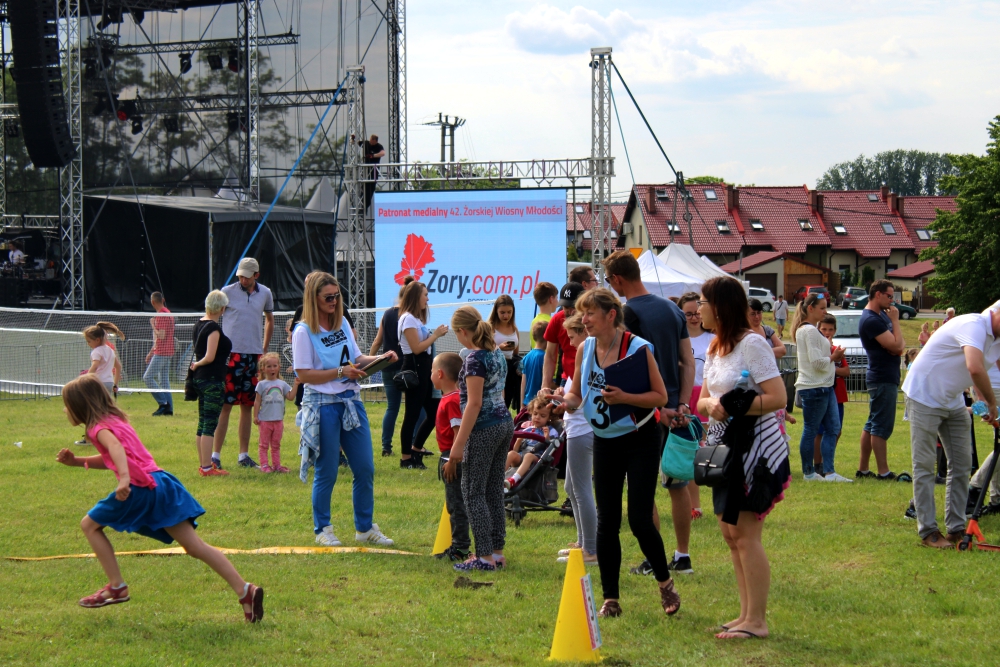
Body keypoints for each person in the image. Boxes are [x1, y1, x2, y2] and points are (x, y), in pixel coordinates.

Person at [56, 374, 264, 621]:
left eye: (67, 405)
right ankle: (245, 590)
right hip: (162, 483)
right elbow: (114, 455)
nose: (65, 410)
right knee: (195, 546)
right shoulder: (115, 420)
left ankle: (116, 586)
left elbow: (116, 450)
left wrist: (123, 479)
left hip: (140, 487)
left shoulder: (97, 428)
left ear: (80, 406)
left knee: (89, 525)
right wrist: (78, 462)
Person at [550, 287, 679, 618]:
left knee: (638, 519)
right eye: (582, 313)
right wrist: (561, 402)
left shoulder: (637, 348)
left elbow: (660, 397)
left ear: (611, 315)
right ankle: (611, 598)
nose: (584, 320)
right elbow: (578, 396)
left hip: (641, 438)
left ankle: (665, 583)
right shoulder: (585, 348)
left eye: (590, 313)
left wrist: (625, 398)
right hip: (604, 438)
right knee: (607, 520)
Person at [695, 276, 789, 640]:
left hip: (753, 451)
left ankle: (757, 621)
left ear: (720, 306)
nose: (698, 309)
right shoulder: (716, 347)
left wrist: (737, 407)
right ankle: (745, 614)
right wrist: (712, 407)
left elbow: (778, 397)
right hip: (723, 448)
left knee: (747, 535)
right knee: (731, 533)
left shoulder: (753, 343)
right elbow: (703, 399)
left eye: (703, 302)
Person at [602, 251, 697, 577]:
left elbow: (630, 370)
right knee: (676, 484)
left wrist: (661, 407)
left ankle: (652, 559)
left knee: (643, 490)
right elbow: (688, 360)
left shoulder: (626, 314)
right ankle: (682, 556)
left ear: (616, 280)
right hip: (676, 408)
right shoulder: (672, 308)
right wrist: (682, 404)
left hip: (646, 411)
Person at [293, 272, 395, 547]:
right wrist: (340, 371)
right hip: (322, 405)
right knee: (327, 470)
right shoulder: (303, 331)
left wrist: (381, 358)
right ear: (313, 298)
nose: (334, 301)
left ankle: (364, 528)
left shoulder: (343, 325)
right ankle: (322, 529)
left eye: (337, 296)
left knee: (365, 468)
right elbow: (303, 374)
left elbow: (358, 359)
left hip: (351, 400)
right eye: (328, 297)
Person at [902, 302, 1000, 548]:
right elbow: (974, 368)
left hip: (952, 399)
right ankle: (929, 532)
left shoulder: (995, 338)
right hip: (923, 394)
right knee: (924, 464)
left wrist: (982, 407)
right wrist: (992, 403)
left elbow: (978, 374)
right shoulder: (974, 325)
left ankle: (956, 529)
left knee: (962, 463)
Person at [442, 306, 514, 572]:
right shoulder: (497, 354)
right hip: (504, 423)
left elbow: (473, 404)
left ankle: (483, 558)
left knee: (473, 492)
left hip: (484, 428)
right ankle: (497, 552)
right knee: (494, 490)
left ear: (462, 332)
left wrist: (458, 447)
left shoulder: (474, 360)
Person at [215, 257, 275, 470]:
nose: (242, 279)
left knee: (248, 407)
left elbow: (270, 319)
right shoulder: (227, 291)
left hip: (253, 357)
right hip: (231, 356)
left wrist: (264, 348)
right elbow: (214, 315)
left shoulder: (265, 293)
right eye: (240, 275)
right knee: (226, 406)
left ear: (256, 276)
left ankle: (243, 456)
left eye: (246, 276)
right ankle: (215, 456)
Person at [552, 313, 598, 564]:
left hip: (582, 429)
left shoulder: (588, 356)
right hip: (576, 428)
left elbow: (579, 400)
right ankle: (583, 542)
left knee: (581, 490)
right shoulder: (582, 358)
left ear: (583, 333)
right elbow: (575, 393)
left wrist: (563, 402)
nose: (569, 343)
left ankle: (591, 549)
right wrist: (562, 394)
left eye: (571, 337)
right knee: (571, 487)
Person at [792, 293, 850, 481]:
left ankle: (829, 472)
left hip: (825, 386)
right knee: (811, 429)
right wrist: (835, 358)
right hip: (814, 387)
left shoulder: (812, 331)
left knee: (833, 428)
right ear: (810, 309)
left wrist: (834, 357)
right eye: (822, 308)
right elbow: (817, 362)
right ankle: (809, 472)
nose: (826, 311)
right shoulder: (808, 331)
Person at [857, 279, 906, 480]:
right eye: (889, 296)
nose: (892, 301)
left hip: (885, 376)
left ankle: (864, 469)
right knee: (881, 426)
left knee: (872, 423)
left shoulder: (880, 317)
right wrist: (895, 321)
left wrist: (895, 340)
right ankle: (883, 472)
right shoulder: (872, 320)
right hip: (882, 377)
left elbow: (897, 344)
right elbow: (898, 347)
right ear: (878, 294)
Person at [398, 280, 449, 469]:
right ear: (415, 297)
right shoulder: (408, 319)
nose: (427, 299)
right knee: (411, 414)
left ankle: (417, 448)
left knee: (435, 413)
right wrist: (435, 335)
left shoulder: (416, 319)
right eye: (425, 295)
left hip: (425, 368)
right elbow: (416, 348)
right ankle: (405, 458)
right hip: (415, 368)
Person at [431, 352, 471, 562]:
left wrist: (453, 461)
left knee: (457, 504)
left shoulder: (452, 400)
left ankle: (461, 548)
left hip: (452, 458)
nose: (430, 374)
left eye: (431, 370)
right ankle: (459, 545)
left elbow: (457, 433)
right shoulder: (450, 398)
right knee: (454, 503)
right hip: (449, 456)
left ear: (439, 374)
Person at [369, 276, 415, 456]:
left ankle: (386, 446)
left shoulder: (387, 314)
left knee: (392, 407)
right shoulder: (409, 316)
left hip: (388, 366)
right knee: (414, 409)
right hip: (406, 367)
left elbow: (377, 341)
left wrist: (370, 363)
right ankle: (412, 443)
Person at [679, 292, 715, 519]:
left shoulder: (712, 339)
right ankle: (695, 505)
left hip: (706, 396)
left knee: (708, 449)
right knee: (689, 452)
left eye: (696, 312)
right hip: (684, 397)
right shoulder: (677, 339)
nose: (693, 317)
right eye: (688, 313)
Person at [190, 290, 233, 477]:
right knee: (209, 424)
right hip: (212, 379)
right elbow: (209, 356)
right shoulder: (213, 328)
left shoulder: (199, 324)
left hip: (200, 379)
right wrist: (197, 364)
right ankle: (207, 467)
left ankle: (203, 464)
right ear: (222, 308)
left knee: (202, 422)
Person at [813, 315, 850, 474]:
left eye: (830, 329)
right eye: (824, 329)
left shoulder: (837, 350)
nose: (827, 332)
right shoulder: (818, 350)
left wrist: (832, 368)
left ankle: (827, 459)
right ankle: (818, 464)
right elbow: (817, 369)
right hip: (822, 394)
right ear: (818, 330)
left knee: (837, 430)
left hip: (838, 394)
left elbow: (846, 371)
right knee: (820, 431)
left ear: (835, 331)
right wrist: (832, 367)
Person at [253, 352, 297, 474]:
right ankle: (264, 465)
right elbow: (257, 401)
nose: (272, 369)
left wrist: (296, 385)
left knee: (276, 444)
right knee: (264, 444)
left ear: (279, 367)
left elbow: (290, 397)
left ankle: (277, 465)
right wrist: (255, 416)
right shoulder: (261, 385)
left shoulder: (282, 384)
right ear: (263, 369)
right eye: (269, 366)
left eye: (274, 365)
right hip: (265, 421)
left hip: (278, 421)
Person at [504, 397, 560, 489]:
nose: (537, 417)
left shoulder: (551, 431)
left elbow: (550, 449)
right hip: (521, 456)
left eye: (542, 416)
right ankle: (498, 477)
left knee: (528, 456)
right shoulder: (527, 429)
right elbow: (516, 450)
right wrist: (518, 441)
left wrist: (547, 438)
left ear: (549, 418)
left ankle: (514, 479)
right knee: (511, 453)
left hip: (536, 459)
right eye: (535, 414)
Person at [542, 282, 585, 390]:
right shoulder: (557, 319)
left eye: (573, 306)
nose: (570, 311)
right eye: (566, 307)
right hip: (568, 379)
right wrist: (545, 385)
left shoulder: (592, 320)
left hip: (589, 379)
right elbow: (550, 355)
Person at [144, 292, 175, 416]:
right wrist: (151, 352)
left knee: (147, 377)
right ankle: (169, 409)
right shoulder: (168, 313)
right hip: (167, 351)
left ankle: (163, 403)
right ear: (163, 299)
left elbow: (161, 336)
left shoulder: (161, 315)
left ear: (152, 302)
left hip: (162, 352)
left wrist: (152, 325)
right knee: (164, 381)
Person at [489, 294, 521, 411]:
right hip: (495, 370)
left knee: (507, 401)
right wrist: (499, 348)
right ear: (496, 311)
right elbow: (483, 350)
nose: (506, 315)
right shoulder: (490, 328)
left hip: (510, 370)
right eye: (502, 312)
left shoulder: (514, 328)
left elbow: (516, 354)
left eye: (509, 312)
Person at [84, 323, 124, 395]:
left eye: (89, 341)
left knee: (94, 403)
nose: (88, 344)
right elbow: (118, 367)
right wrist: (115, 384)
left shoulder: (96, 351)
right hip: (109, 382)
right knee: (105, 404)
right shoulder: (110, 350)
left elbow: (95, 366)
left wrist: (86, 378)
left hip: (99, 382)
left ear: (97, 340)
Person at [352, 133, 385, 210]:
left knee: (371, 187)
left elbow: (383, 153)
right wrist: (353, 139)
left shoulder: (379, 146)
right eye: (370, 140)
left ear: (375, 141)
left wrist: (373, 156)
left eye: (371, 141)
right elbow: (357, 142)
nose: (370, 142)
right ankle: (362, 204)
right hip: (366, 169)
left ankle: (366, 204)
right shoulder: (366, 143)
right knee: (363, 187)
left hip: (374, 170)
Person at [520, 321, 548, 409]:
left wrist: (521, 403)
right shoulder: (544, 357)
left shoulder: (526, 356)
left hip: (526, 402)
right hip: (538, 403)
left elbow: (523, 382)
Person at [529, 282, 558, 348]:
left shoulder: (534, 321)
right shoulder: (552, 322)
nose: (558, 302)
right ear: (551, 299)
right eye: (556, 298)